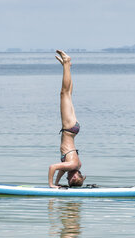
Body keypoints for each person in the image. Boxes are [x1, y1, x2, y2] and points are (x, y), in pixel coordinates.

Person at [48, 50, 86, 188]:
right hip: (69, 127)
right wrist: (51, 185)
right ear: (76, 176)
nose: (68, 178)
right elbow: (52, 167)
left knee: (68, 94)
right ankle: (67, 63)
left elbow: (61, 170)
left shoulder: (74, 165)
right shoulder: (72, 165)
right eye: (70, 179)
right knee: (64, 93)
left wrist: (57, 182)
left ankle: (67, 66)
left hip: (72, 129)